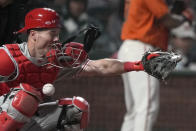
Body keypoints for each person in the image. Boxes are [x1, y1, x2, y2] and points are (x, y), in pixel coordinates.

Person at [0, 7, 149, 131]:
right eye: (52, 33)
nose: (57, 39)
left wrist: (138, 65)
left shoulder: (55, 62)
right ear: (33, 34)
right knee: (23, 99)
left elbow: (99, 67)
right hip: (5, 115)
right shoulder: (8, 57)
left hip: (27, 118)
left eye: (57, 34)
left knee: (76, 110)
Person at [117, 0, 193, 131]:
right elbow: (167, 21)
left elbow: (157, 19)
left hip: (130, 48)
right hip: (141, 48)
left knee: (134, 111)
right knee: (147, 107)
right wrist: (184, 18)